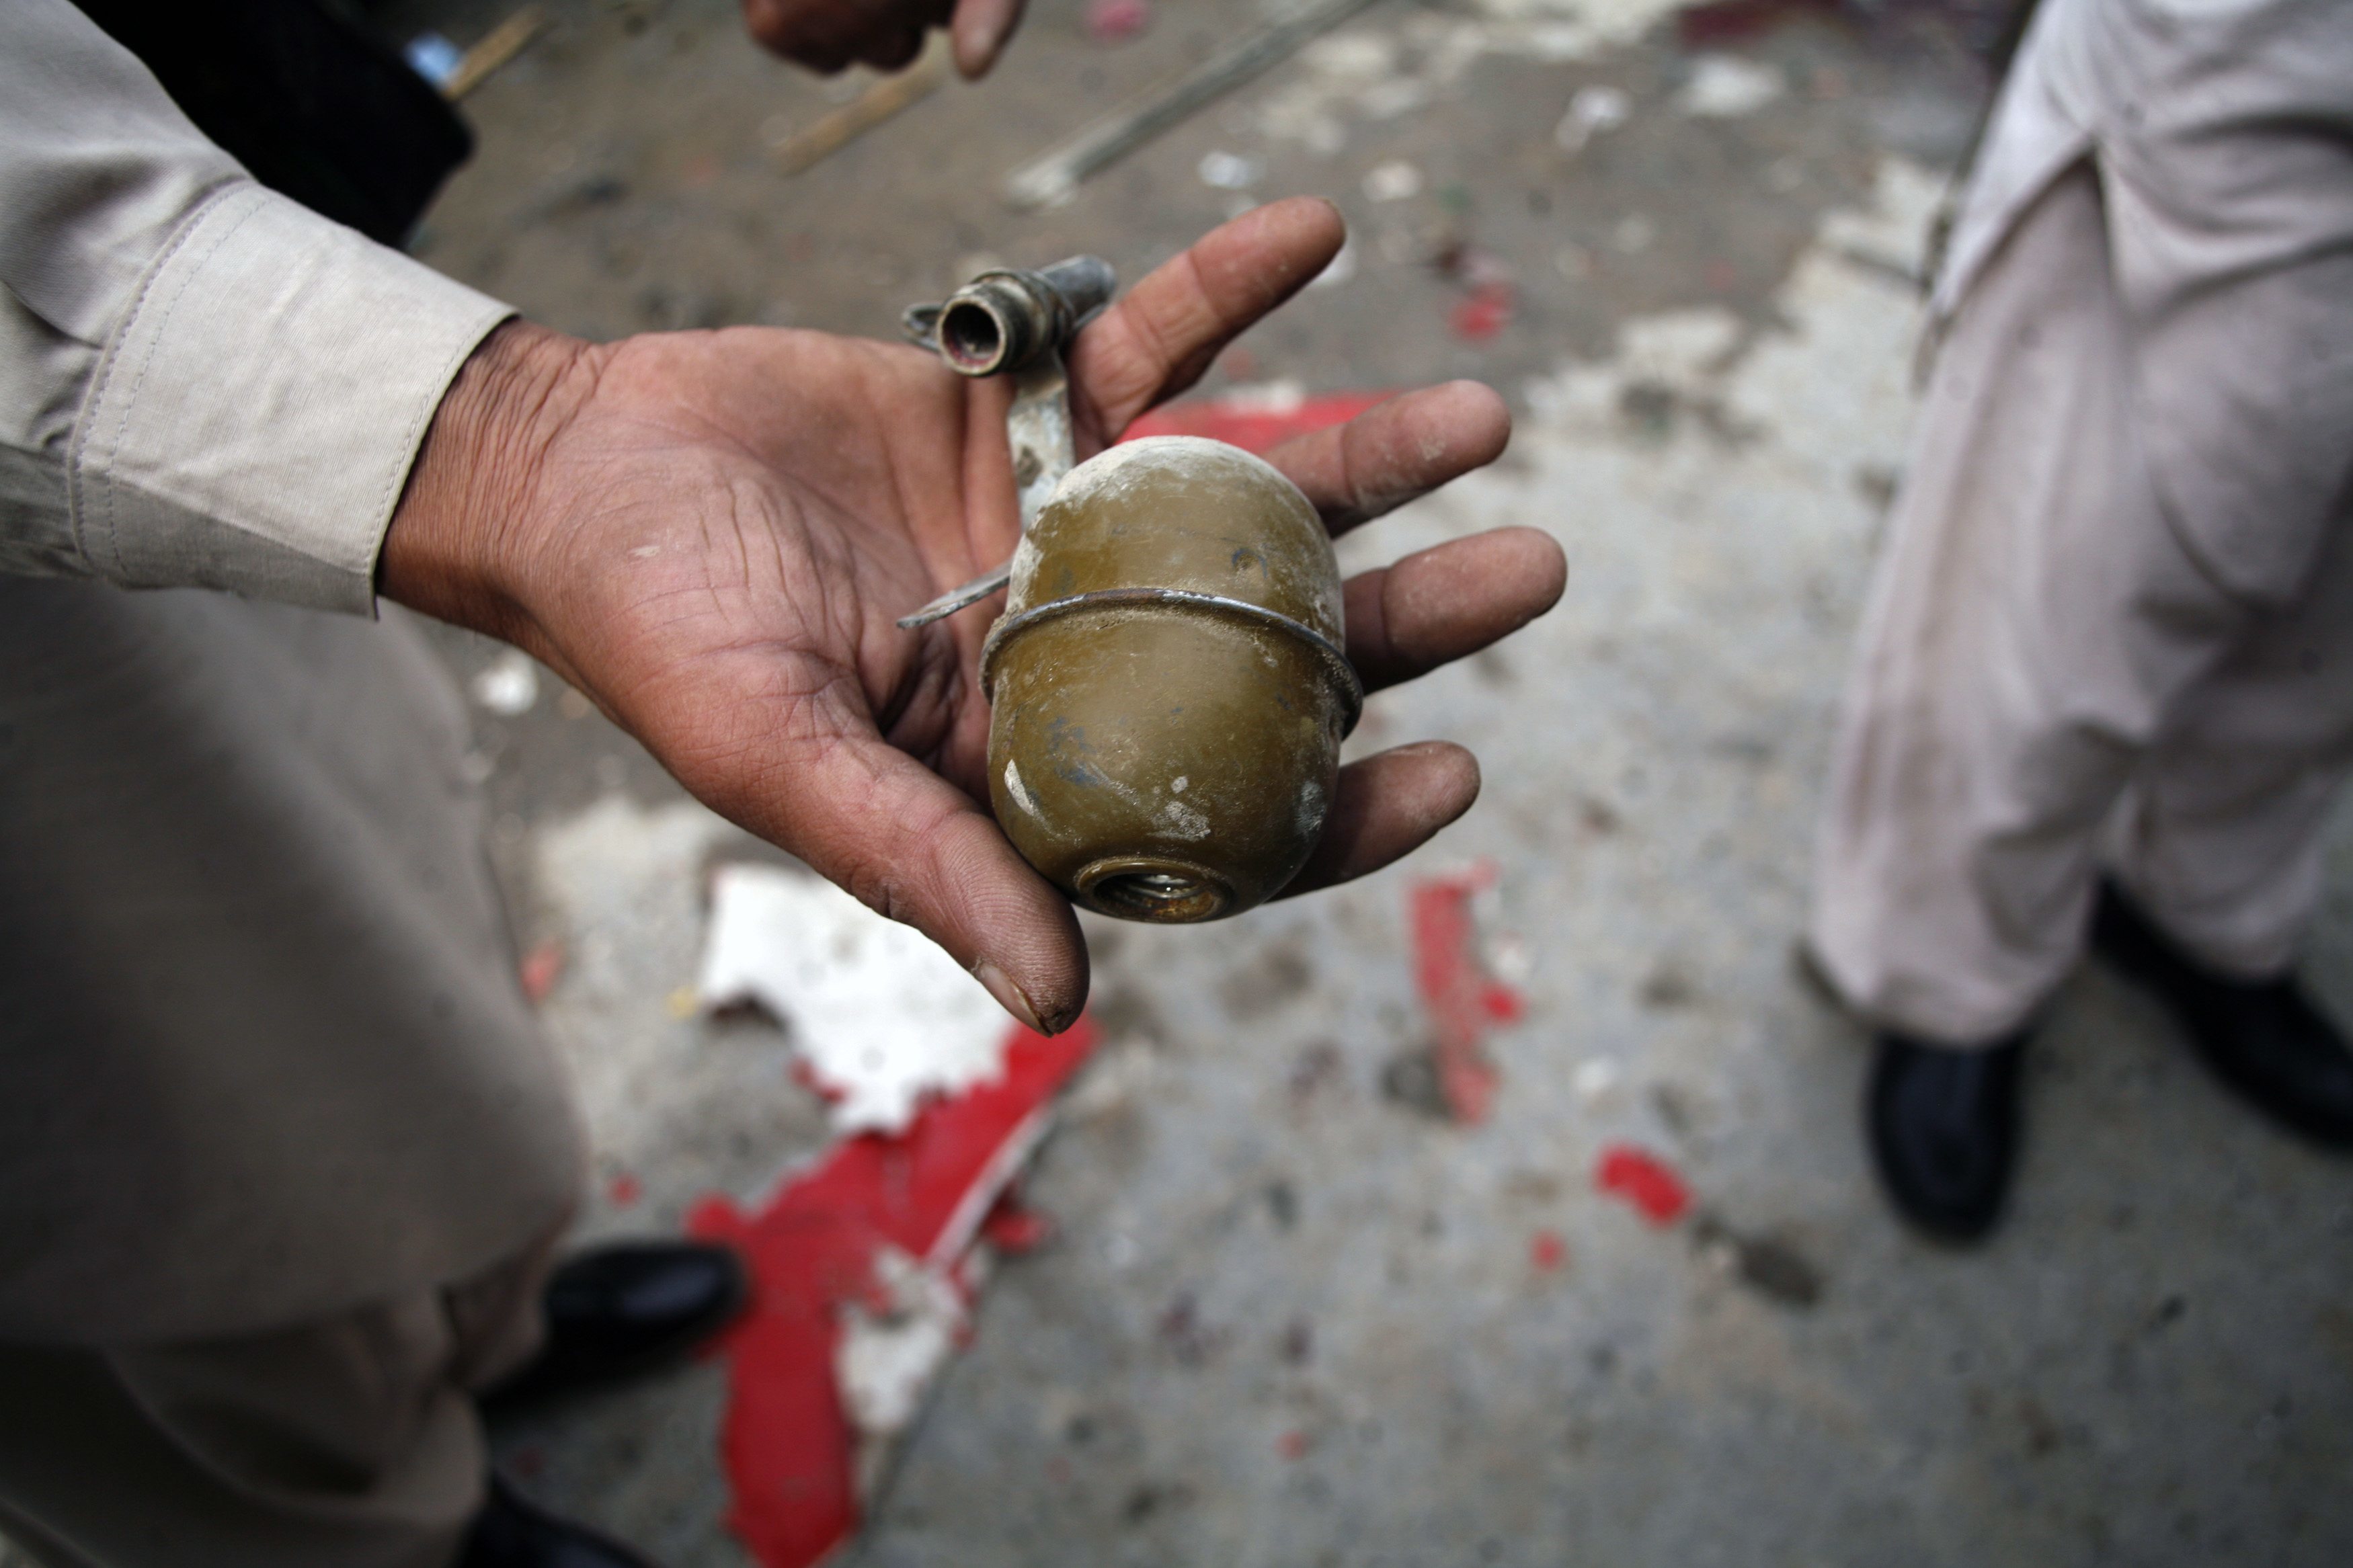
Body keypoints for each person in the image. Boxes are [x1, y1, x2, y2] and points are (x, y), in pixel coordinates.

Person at [0, 1, 1567, 1563]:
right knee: (138, 1156)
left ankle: (472, 1330)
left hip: (113, 472)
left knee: (328, 884)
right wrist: (514, 446)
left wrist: (509, 441)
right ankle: (370, 1532)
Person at [1809, 0, 2353, 1241]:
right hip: (2228, 98)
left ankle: (2204, 905)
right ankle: (1954, 975)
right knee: (2044, 616)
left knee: (2324, 647)